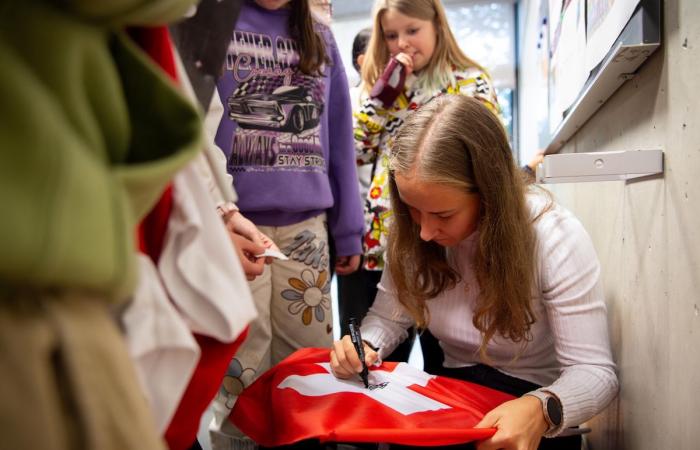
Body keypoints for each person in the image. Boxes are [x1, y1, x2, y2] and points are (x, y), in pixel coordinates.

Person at [330, 95, 619, 450]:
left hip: (534, 399)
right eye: (413, 211)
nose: (423, 232)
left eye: (443, 215)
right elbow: (389, 318)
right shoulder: (412, 233)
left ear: (489, 192)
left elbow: (596, 374)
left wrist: (542, 409)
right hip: (451, 395)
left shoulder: (553, 235)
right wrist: (366, 346)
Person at [210, 0, 364, 447]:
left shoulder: (321, 37)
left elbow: (339, 135)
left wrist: (347, 227)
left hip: (307, 232)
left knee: (309, 366)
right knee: (240, 369)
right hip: (235, 228)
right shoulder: (214, 23)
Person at [352, 0, 500, 365]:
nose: (402, 43)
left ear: (437, 24)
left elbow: (490, 158)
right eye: (391, 35)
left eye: (412, 31)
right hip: (386, 238)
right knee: (381, 362)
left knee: (444, 362)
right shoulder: (385, 85)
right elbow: (355, 151)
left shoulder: (469, 80)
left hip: (451, 245)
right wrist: (382, 99)